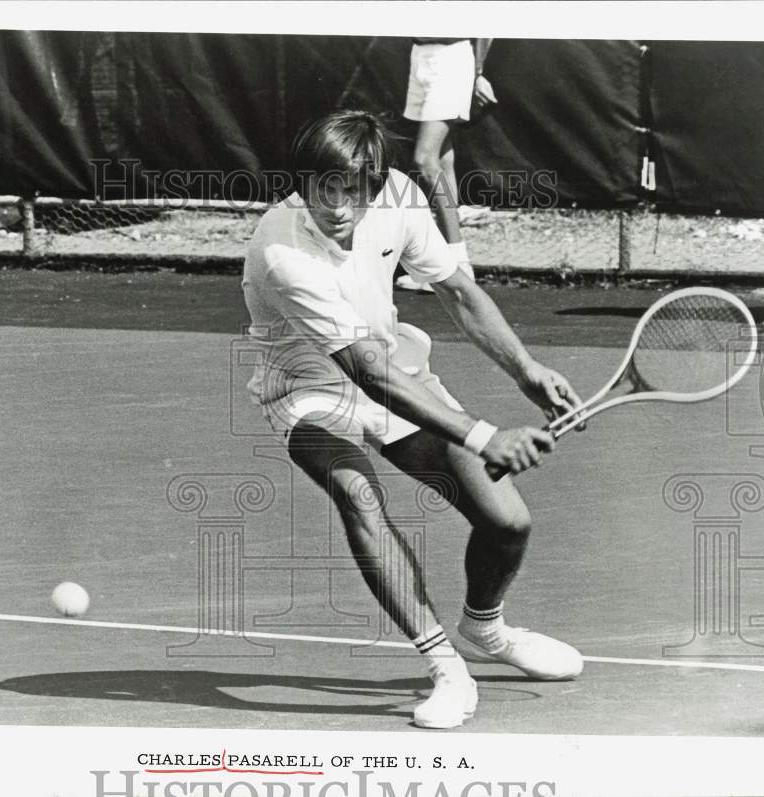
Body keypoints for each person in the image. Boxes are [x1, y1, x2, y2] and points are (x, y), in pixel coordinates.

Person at [242, 111, 583, 730]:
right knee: (357, 491)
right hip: (310, 388)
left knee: (507, 522)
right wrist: (485, 435)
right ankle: (446, 667)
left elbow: (456, 290)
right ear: (302, 181)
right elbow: (367, 375)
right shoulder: (281, 250)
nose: (341, 206)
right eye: (325, 187)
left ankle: (487, 629)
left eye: (356, 190)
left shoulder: (399, 196)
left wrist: (526, 369)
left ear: (376, 185)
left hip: (397, 366)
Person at [396, 37, 496, 293]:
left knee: (425, 160)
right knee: (442, 158)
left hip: (452, 59)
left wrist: (478, 73)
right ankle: (455, 265)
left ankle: (456, 265)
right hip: (419, 55)